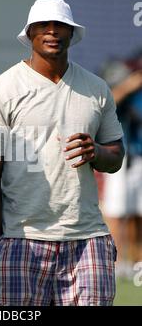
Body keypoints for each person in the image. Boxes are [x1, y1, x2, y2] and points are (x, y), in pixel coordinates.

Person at [0, 0, 124, 306]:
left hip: (87, 238)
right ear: (30, 34)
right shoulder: (1, 91)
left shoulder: (96, 89)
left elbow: (115, 156)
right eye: (43, 26)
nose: (52, 32)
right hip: (21, 239)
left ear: (71, 33)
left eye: (60, 26)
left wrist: (96, 152)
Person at [101, 55, 142, 278]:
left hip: (139, 155)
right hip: (121, 155)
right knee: (116, 212)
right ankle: (115, 263)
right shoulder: (121, 80)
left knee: (138, 213)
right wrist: (130, 84)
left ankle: (137, 263)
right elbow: (109, 102)